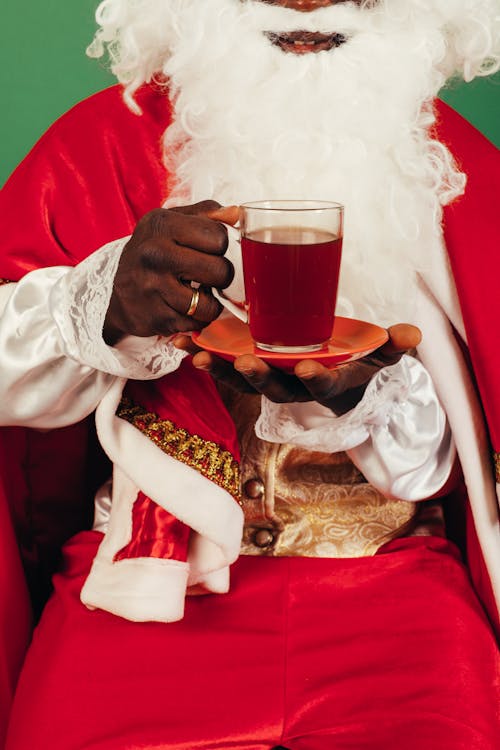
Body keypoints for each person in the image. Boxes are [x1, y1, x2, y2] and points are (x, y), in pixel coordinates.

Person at [0, 0, 499, 747]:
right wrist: (105, 302)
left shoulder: (453, 169)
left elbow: (451, 458)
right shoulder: (102, 141)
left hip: (393, 594)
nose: (306, 7)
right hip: (147, 590)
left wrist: (367, 396)